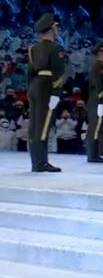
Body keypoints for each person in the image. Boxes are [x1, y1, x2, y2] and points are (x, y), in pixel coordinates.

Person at [25, 12, 66, 172]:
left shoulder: (33, 49)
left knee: (34, 126)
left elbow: (30, 73)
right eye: (55, 27)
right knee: (43, 125)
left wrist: (30, 89)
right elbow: (59, 73)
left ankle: (36, 161)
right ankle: (41, 162)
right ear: (51, 28)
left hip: (35, 86)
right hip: (47, 88)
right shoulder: (56, 48)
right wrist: (56, 93)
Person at [85, 41, 103, 163]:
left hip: (100, 99)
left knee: (97, 127)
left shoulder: (102, 65)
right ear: (101, 51)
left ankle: (94, 154)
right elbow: (98, 84)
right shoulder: (99, 66)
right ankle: (92, 155)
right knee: (95, 127)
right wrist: (101, 97)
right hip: (98, 99)